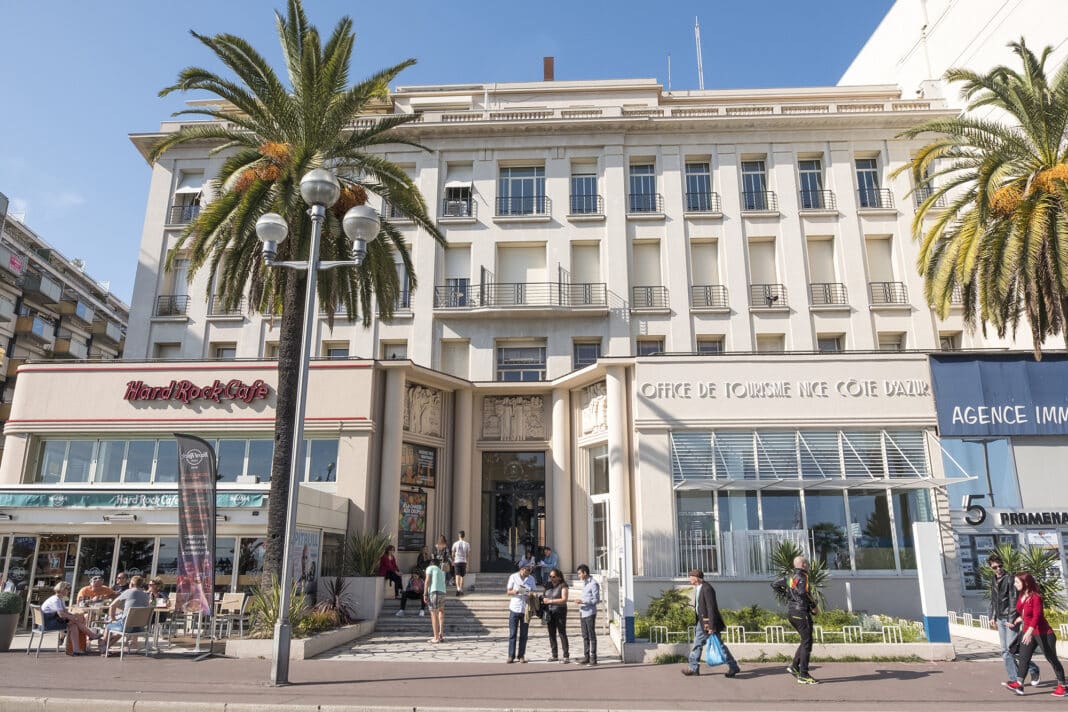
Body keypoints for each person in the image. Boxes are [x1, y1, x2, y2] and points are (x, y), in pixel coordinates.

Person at [1004, 572, 1066, 697]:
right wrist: (1018, 620)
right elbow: (1026, 613)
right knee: (1023, 658)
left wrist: (1029, 631)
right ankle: (1019, 684)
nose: (1015, 584)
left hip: (1043, 634)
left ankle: (1062, 686)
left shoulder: (1036, 597)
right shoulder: (1022, 595)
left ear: (1026, 583)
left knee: (1052, 659)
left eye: (1017, 582)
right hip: (1029, 632)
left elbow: (1037, 616)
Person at [988, 553, 1040, 688]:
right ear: (991, 568)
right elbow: (994, 600)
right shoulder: (993, 580)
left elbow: (1013, 599)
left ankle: (1033, 669)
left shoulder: (1010, 579)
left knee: (1012, 650)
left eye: (1000, 566)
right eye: (995, 567)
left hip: (1009, 618)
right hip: (1000, 618)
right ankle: (1014, 680)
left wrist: (1011, 618)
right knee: (1005, 651)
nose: (998, 569)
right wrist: (992, 616)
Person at [682, 569, 740, 678]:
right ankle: (693, 668)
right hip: (702, 621)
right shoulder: (699, 588)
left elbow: (711, 607)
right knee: (698, 644)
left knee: (718, 646)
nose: (689, 578)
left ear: (697, 578)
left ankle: (733, 666)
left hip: (708, 622)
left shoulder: (707, 588)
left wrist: (712, 626)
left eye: (691, 576)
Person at [772, 555, 818, 684]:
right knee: (807, 642)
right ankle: (803, 675)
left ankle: (794, 667)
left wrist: (788, 595)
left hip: (792, 612)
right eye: (807, 564)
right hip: (801, 612)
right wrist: (813, 605)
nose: (808, 566)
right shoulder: (803, 576)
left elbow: (774, 584)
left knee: (805, 641)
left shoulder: (789, 577)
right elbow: (803, 593)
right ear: (803, 565)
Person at [40, 581, 101, 655]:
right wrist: (74, 618)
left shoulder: (60, 598)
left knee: (74, 625)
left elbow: (65, 612)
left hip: (51, 620)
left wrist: (74, 616)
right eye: (67, 589)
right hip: (48, 623)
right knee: (75, 622)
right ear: (62, 589)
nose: (68, 591)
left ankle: (76, 650)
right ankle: (91, 635)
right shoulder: (55, 600)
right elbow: (61, 614)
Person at [102, 574, 151, 653]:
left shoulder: (128, 591)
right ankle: (106, 648)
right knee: (122, 628)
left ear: (132, 584)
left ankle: (103, 646)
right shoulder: (146, 595)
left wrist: (113, 619)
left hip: (127, 626)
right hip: (140, 628)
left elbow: (112, 606)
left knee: (109, 626)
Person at [506, 563, 537, 663]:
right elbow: (508, 592)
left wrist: (528, 593)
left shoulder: (531, 579)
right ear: (522, 569)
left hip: (526, 609)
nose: (529, 572)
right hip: (514, 608)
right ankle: (511, 656)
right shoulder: (513, 577)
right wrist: (515, 591)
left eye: (530, 570)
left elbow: (534, 592)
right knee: (512, 633)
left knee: (524, 634)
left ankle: (521, 655)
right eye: (528, 570)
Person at [572, 564, 600, 666]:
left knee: (591, 635)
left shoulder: (594, 584)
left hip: (590, 613)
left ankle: (593, 658)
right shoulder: (584, 583)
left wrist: (582, 601)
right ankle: (586, 657)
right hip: (583, 612)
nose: (578, 575)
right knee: (585, 636)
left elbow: (596, 600)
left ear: (585, 573)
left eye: (579, 573)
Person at [542, 567, 570, 662]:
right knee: (551, 633)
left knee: (562, 633)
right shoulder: (548, 585)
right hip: (549, 612)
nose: (551, 578)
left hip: (560, 611)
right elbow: (544, 596)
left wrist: (551, 601)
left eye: (553, 576)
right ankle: (554, 655)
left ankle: (566, 655)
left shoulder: (563, 585)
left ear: (559, 577)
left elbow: (564, 599)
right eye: (550, 576)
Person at [423, 558, 447, 643]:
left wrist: (425, 594)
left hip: (434, 592)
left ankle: (436, 637)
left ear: (431, 563)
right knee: (441, 611)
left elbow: (427, 581)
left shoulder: (430, 568)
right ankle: (441, 634)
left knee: (433, 614)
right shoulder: (441, 571)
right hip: (443, 593)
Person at [451, 531, 471, 596]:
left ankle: (458, 589)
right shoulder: (467, 544)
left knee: (457, 576)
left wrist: (453, 560)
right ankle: (461, 590)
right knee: (462, 576)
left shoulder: (455, 543)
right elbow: (468, 554)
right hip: (463, 561)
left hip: (457, 561)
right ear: (464, 536)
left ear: (459, 536)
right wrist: (467, 562)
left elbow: (453, 553)